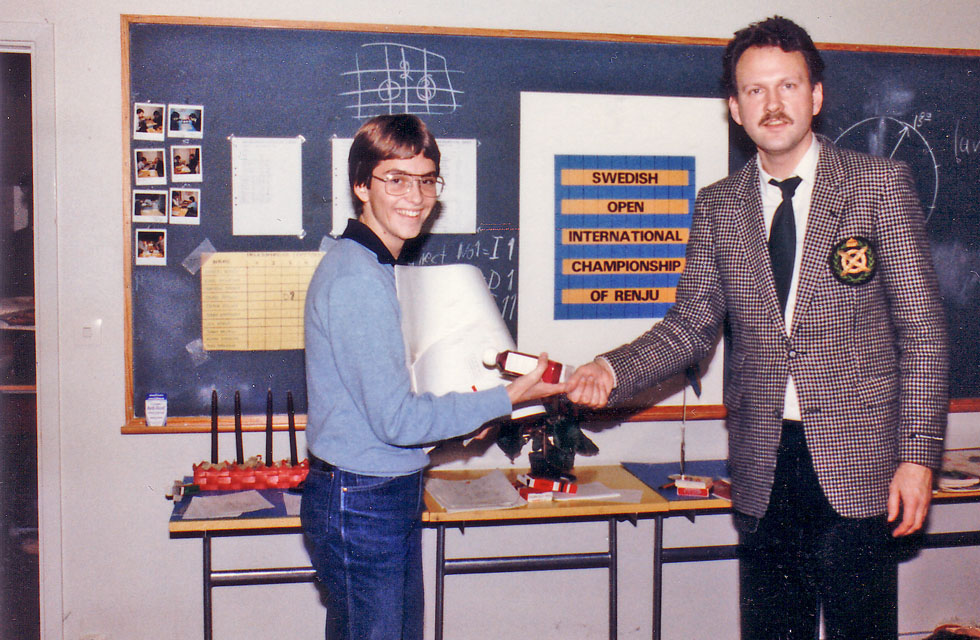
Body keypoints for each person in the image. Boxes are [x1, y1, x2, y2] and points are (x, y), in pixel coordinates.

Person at [566, 16, 947, 639]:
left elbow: (923, 335)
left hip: (864, 466)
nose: (773, 104)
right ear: (735, 108)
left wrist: (917, 458)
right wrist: (610, 369)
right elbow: (690, 326)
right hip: (764, 467)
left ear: (815, 96)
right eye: (755, 90)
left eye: (787, 86)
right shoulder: (719, 206)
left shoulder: (878, 186)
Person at [301, 113, 562, 640]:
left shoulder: (371, 266)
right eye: (396, 179)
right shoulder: (358, 280)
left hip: (375, 490)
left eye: (426, 180)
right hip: (363, 499)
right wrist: (508, 396)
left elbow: (381, 409)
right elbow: (397, 421)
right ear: (361, 186)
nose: (415, 197)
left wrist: (466, 419)